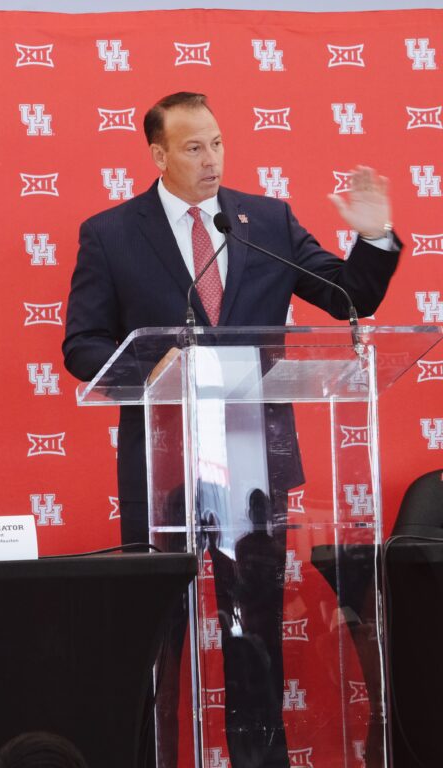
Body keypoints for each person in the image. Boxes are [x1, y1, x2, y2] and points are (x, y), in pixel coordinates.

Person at [62, 92, 400, 768]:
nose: (211, 159)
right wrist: (151, 366)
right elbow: (81, 345)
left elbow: (347, 297)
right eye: (193, 147)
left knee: (256, 635)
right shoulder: (111, 233)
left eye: (217, 143)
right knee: (154, 635)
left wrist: (372, 239)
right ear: (157, 154)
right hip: (164, 467)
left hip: (254, 462)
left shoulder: (265, 221)